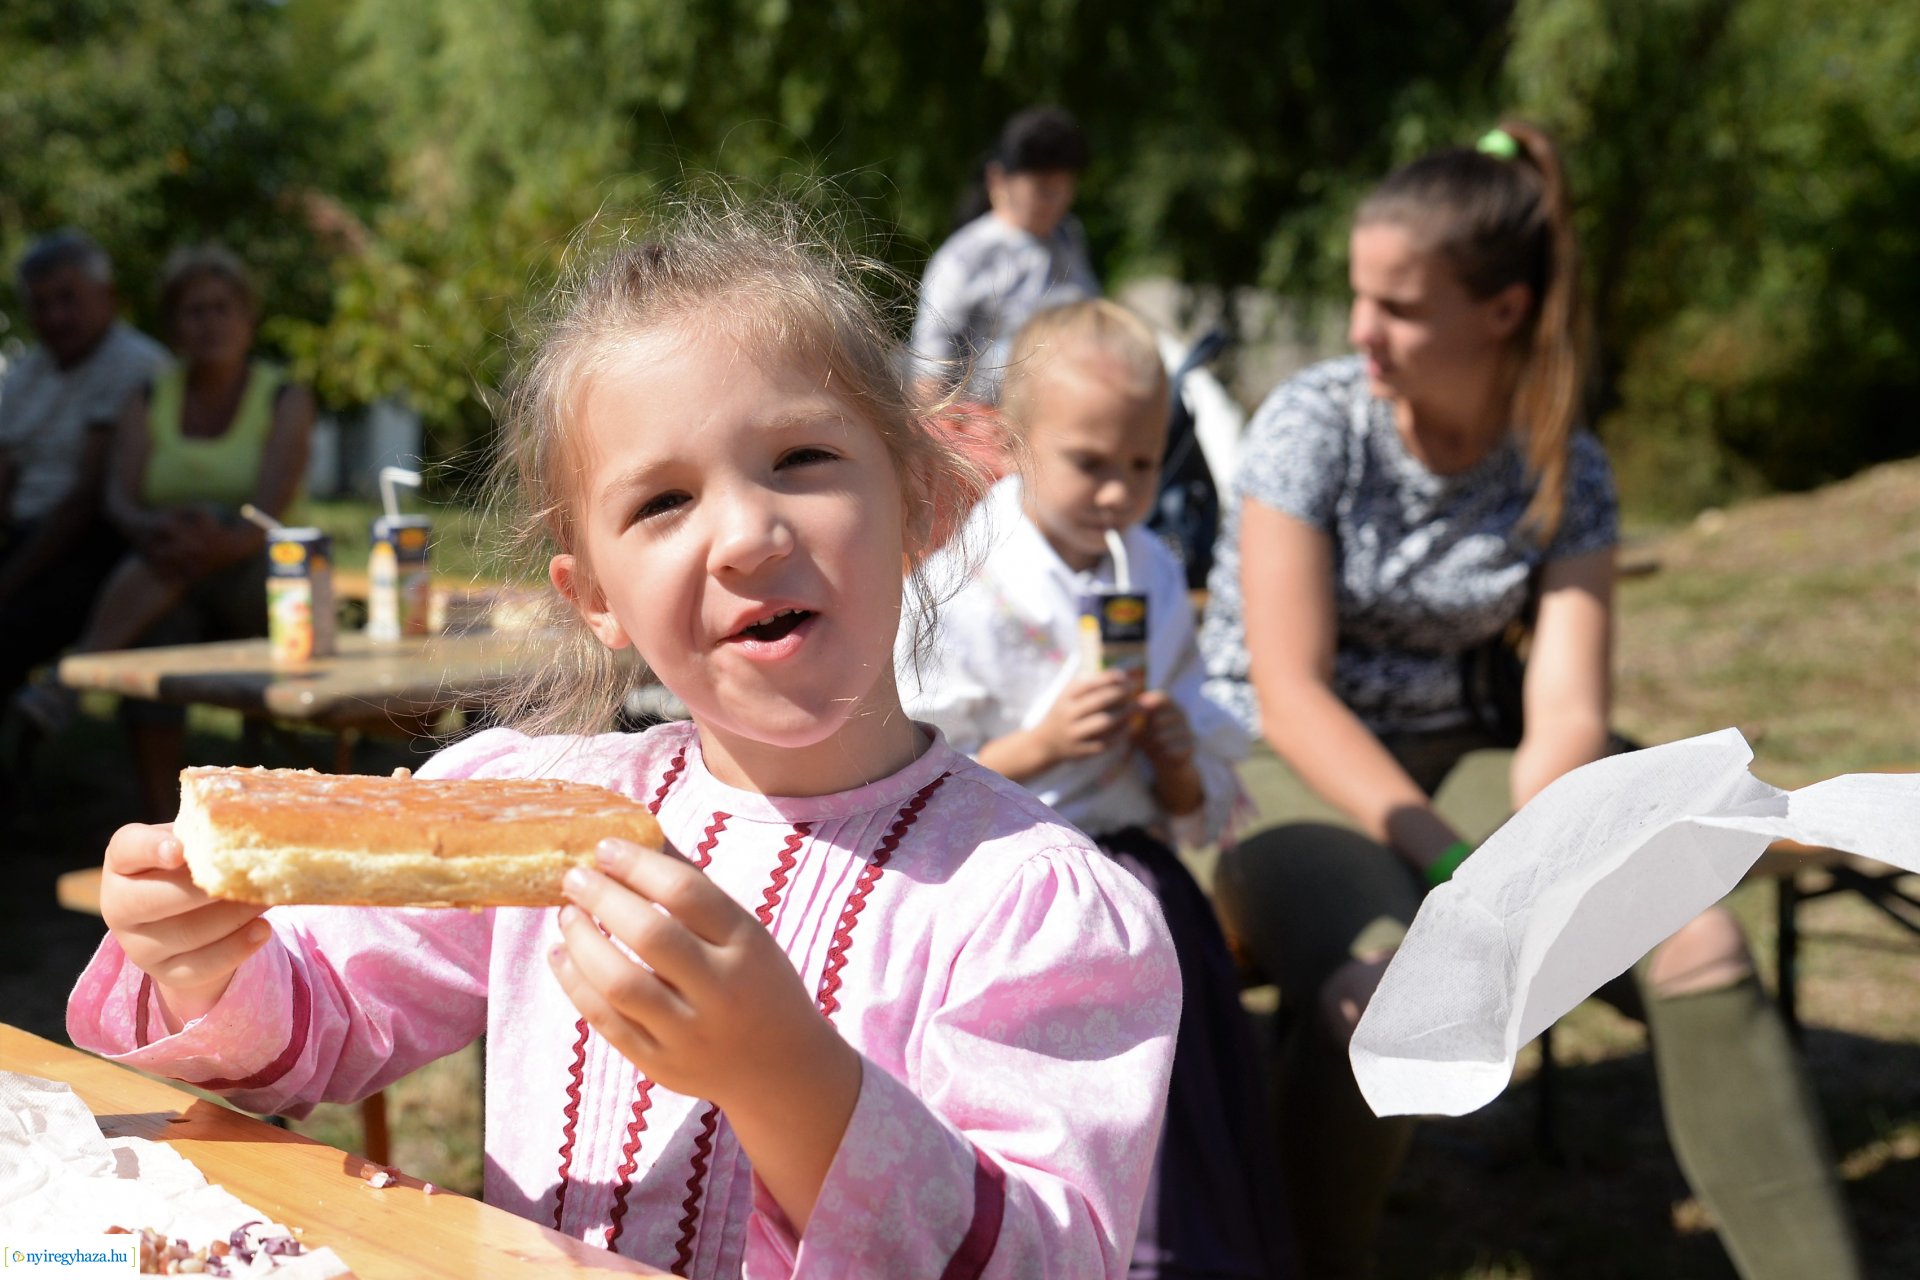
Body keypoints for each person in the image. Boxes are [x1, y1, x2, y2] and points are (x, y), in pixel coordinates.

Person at [67, 198, 1182, 1277]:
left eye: (801, 457)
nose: (746, 534)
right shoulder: (537, 817)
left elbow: (1046, 1255)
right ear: (594, 594)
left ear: (924, 504)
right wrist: (202, 960)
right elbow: (325, 1025)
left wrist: (787, 1074)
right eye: (662, 503)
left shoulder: (1031, 910)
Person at [1196, 123, 1861, 1280]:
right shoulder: (1316, 424)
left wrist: (1558, 857)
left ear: (1501, 311)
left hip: (1472, 751)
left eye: (1398, 306)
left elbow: (1561, 721)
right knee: (1383, 986)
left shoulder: (1565, 461)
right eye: (1361, 297)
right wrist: (1455, 864)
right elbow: (1291, 693)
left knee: (1694, 934)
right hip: (1278, 761)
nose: (1362, 332)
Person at [902, 298, 1292, 1279]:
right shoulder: (966, 579)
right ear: (1020, 445)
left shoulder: (1152, 568)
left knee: (1176, 1025)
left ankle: (1182, 1245)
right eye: (1090, 463)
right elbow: (910, 753)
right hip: (998, 875)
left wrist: (1168, 750)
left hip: (1130, 870)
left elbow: (1195, 766)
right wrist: (1037, 745)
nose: (1119, 491)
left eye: (1144, 464)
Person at [79, 245, 313, 820]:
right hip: (169, 562)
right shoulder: (149, 396)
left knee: (187, 555)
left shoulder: (284, 397)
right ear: (174, 324)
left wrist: (203, 542)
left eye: (221, 308)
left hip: (257, 571)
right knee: (164, 633)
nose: (209, 323)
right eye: (194, 311)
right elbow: (121, 500)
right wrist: (158, 531)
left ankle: (79, 670)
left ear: (247, 318)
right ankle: (166, 819)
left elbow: (269, 512)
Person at [0, 231, 168, 723]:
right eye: (42, 304)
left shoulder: (136, 365)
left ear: (107, 296)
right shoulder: (27, 372)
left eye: (67, 300)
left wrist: (8, 580)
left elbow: (86, 498)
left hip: (94, 544)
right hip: (26, 534)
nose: (55, 317)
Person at [909, 104, 1098, 406]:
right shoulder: (967, 257)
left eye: (1066, 188)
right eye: (1044, 189)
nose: (1057, 201)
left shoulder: (1068, 237)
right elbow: (930, 368)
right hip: (988, 428)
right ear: (998, 179)